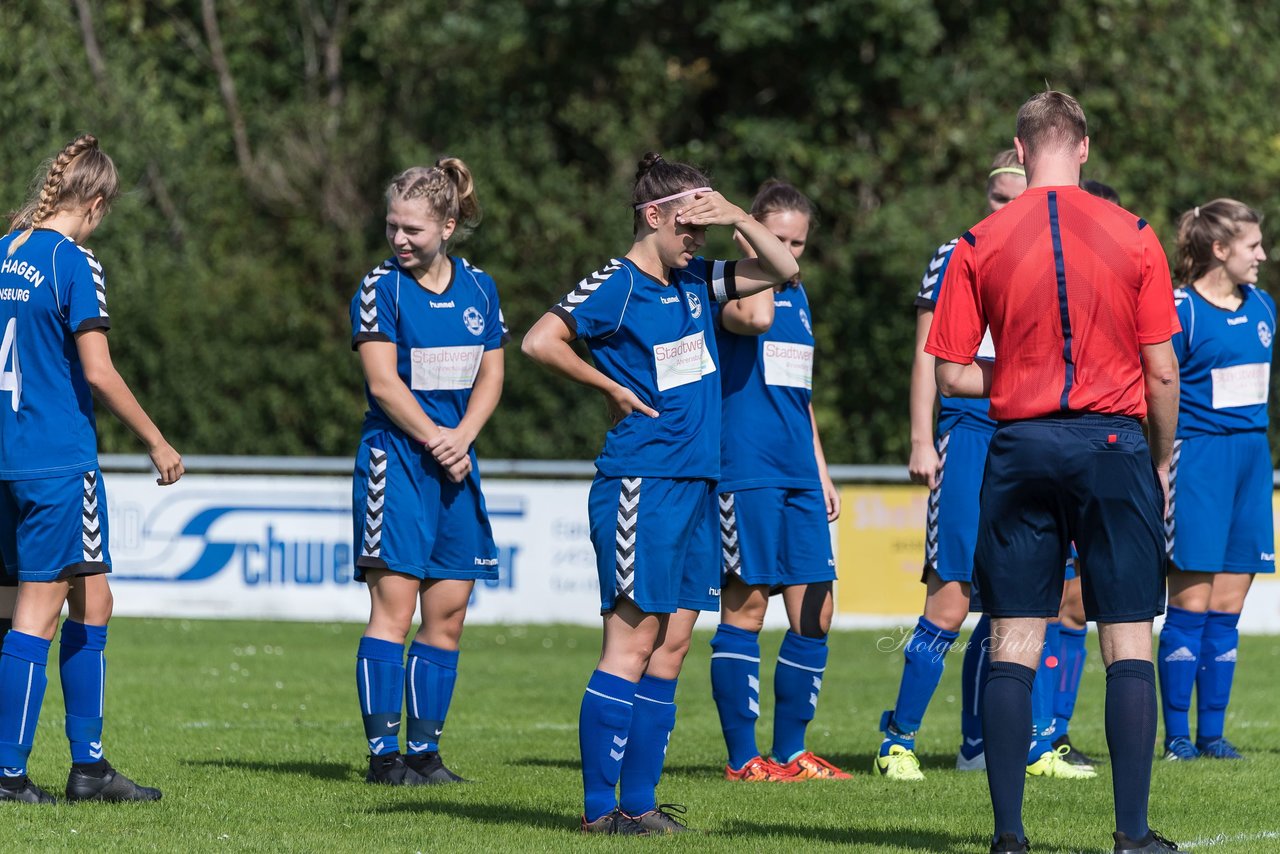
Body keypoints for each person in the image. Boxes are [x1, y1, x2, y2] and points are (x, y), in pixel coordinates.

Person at [927, 91, 1180, 854]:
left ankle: (1009, 837)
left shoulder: (979, 239)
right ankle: (1132, 835)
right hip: (1111, 445)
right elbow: (1161, 371)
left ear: (1020, 146)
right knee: (1128, 639)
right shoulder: (1135, 234)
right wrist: (1160, 454)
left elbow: (948, 374)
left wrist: (1016, 381)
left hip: (1020, 445)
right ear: (1086, 148)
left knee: (1013, 638)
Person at [522, 153, 798, 835]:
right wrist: (609, 387)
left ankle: (639, 806)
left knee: (672, 644)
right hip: (641, 483)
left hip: (699, 484)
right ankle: (596, 812)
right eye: (689, 224)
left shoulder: (697, 280)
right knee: (631, 642)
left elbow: (784, 272)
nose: (697, 239)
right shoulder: (616, 284)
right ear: (653, 216)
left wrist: (735, 214)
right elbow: (538, 340)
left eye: (705, 228)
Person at [0, 134, 185, 804]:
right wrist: (157, 442)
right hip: (56, 463)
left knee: (93, 594)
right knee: (35, 615)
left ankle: (90, 768)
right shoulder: (74, 263)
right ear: (98, 202)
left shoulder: (4, 253)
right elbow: (99, 372)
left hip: (7, 461)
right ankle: (10, 773)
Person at [349, 158, 507, 786]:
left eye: (413, 229)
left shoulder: (480, 288)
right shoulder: (378, 288)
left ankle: (425, 755)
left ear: (447, 224)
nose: (399, 240)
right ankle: (384, 757)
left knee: (448, 612)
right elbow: (383, 383)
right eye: (392, 226)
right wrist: (440, 441)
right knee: (394, 609)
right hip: (399, 462)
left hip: (455, 463)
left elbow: (492, 374)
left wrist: (462, 438)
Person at [878, 151, 1031, 781]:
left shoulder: (1050, 256)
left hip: (1032, 440)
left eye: (1014, 197)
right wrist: (922, 437)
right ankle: (899, 740)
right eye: (997, 197)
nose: (1006, 208)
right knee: (951, 599)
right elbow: (927, 354)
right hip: (968, 436)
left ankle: (979, 743)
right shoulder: (958, 253)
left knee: (1017, 604)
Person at [707, 180, 847, 783]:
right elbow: (756, 317)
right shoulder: (734, 289)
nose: (789, 253)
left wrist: (821, 469)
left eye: (798, 243)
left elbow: (802, 395)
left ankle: (791, 751)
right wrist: (754, 253)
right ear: (750, 236)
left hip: (797, 472)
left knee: (816, 610)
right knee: (749, 606)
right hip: (746, 469)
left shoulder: (801, 296)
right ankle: (744, 759)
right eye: (777, 239)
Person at [1157, 199, 1272, 762]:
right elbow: (1156, 388)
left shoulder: (1264, 307)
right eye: (1253, 246)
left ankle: (1213, 735)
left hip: (1252, 461)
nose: (1263, 256)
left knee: (1229, 607)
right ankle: (1177, 737)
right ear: (1219, 250)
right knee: (1192, 604)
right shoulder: (1184, 311)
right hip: (1198, 461)